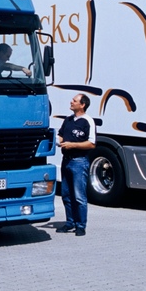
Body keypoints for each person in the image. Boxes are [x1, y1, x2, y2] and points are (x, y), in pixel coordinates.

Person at [56, 93, 96, 237]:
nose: (71, 102)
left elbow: (91, 144)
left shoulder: (88, 121)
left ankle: (81, 225)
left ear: (82, 105)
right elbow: (61, 135)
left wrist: (72, 145)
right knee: (66, 194)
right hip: (66, 160)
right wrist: (56, 140)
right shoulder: (68, 120)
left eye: (74, 100)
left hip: (79, 162)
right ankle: (70, 222)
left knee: (79, 196)